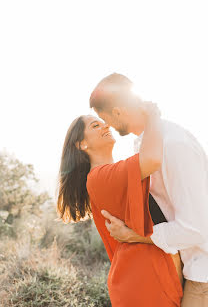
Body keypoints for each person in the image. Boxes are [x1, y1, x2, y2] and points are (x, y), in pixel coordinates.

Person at [90, 73, 208, 307]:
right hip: (185, 268)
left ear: (118, 112)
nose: (107, 126)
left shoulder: (173, 145)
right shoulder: (145, 143)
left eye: (104, 119)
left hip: (201, 274)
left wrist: (137, 236)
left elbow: (197, 227)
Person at [57, 107, 183, 306]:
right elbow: (152, 158)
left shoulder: (116, 175)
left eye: (102, 122)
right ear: (82, 144)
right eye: (95, 125)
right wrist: (152, 117)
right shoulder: (100, 177)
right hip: (146, 285)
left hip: (147, 281)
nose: (105, 125)